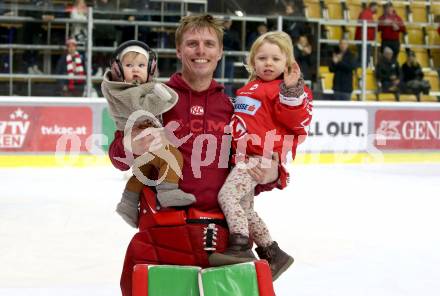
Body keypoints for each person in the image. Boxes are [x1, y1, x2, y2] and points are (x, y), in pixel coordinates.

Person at [108, 15, 282, 296]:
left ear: (220, 52)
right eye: (192, 44)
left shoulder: (236, 107)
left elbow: (256, 170)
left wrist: (272, 173)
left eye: (209, 44)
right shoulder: (154, 99)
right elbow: (118, 158)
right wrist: (132, 147)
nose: (201, 51)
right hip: (163, 239)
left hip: (226, 245)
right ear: (178, 50)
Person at [208, 31, 312, 281]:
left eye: (276, 59)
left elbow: (294, 118)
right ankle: (272, 253)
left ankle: (241, 245)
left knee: (227, 195)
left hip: (260, 155)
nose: (268, 63)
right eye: (262, 58)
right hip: (242, 156)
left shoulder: (284, 91)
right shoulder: (248, 88)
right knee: (244, 208)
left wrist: (291, 91)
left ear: (287, 64)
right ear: (252, 61)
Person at [101, 40, 196, 228]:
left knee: (143, 172)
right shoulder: (124, 91)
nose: (136, 70)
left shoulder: (141, 89)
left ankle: (128, 203)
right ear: (118, 70)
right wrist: (161, 95)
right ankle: (168, 191)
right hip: (142, 135)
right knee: (171, 157)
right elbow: (141, 107)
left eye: (141, 65)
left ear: (151, 69)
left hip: (148, 138)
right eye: (129, 65)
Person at [215, 17, 240, 97]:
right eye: (225, 22)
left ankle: (228, 97)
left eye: (228, 22)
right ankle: (218, 96)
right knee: (219, 78)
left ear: (231, 23)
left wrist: (229, 50)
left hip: (229, 58)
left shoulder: (234, 33)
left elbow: (237, 46)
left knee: (229, 79)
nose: (227, 24)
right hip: (219, 59)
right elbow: (217, 44)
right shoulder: (218, 32)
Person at [355, 1, 378, 67]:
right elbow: (364, 26)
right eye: (376, 7)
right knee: (364, 60)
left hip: (366, 40)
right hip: (364, 40)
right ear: (373, 6)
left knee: (363, 60)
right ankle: (361, 75)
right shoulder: (366, 13)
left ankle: (360, 74)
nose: (376, 9)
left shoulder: (368, 13)